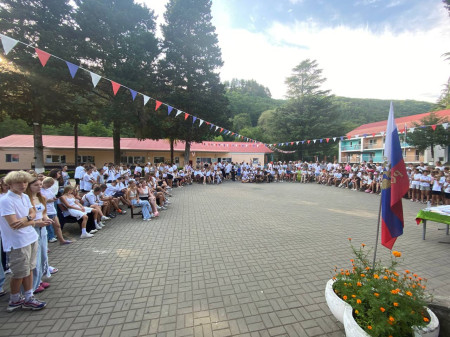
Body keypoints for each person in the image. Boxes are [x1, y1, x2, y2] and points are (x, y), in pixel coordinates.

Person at [0, 171, 47, 311]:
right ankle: (14, 299)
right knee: (19, 272)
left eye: (25, 182)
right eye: (18, 183)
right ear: (10, 184)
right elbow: (13, 224)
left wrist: (27, 219)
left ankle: (28, 296)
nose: (22, 185)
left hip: (31, 237)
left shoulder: (24, 196)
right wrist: (31, 221)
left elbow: (32, 213)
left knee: (30, 269)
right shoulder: (6, 200)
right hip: (18, 242)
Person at [26, 177, 54, 294]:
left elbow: (44, 212)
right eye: (36, 185)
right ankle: (33, 285)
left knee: (43, 255)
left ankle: (39, 280)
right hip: (34, 229)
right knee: (35, 258)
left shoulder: (41, 198)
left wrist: (46, 219)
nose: (39, 187)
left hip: (43, 229)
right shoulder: (27, 199)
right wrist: (38, 223)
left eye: (40, 184)